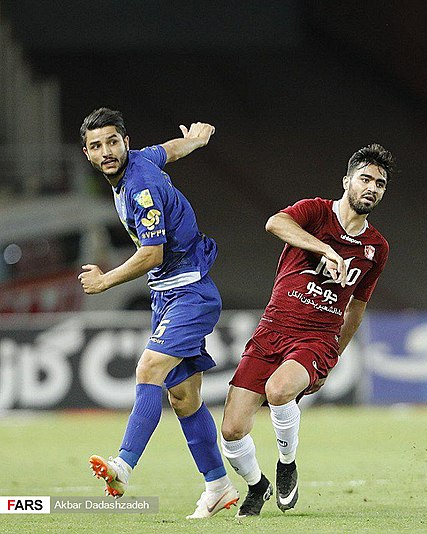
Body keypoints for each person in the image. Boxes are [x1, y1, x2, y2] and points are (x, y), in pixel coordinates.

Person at [78, 107, 238, 519]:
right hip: (168, 295)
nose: (107, 150)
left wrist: (104, 281)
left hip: (190, 292)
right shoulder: (142, 160)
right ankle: (219, 486)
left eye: (113, 141)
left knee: (148, 368)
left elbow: (152, 253)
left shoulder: (140, 187)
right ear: (88, 153)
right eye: (97, 145)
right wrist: (195, 142)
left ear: (125, 142)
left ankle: (123, 466)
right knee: (184, 398)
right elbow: (168, 149)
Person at [219, 144, 394, 517]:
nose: (372, 188)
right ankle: (257, 485)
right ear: (347, 181)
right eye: (365, 178)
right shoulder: (315, 211)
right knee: (232, 431)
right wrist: (327, 251)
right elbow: (275, 223)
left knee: (279, 390)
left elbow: (357, 307)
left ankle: (286, 464)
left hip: (316, 337)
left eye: (380, 184)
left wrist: (334, 356)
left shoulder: (376, 248)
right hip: (272, 329)